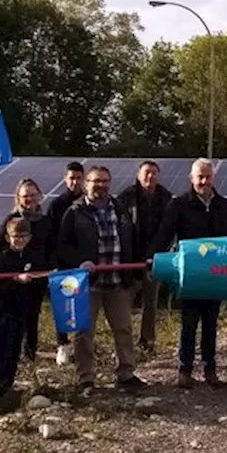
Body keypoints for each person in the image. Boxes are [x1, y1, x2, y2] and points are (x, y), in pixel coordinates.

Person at [57, 165, 148, 396]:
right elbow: (63, 246)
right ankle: (86, 378)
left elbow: (133, 240)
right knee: (84, 332)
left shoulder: (120, 209)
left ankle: (126, 374)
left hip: (117, 281)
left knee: (123, 329)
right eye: (96, 181)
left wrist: (136, 274)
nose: (102, 185)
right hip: (88, 284)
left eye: (106, 181)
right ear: (86, 183)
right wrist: (80, 262)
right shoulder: (74, 212)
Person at [149, 158, 227, 388]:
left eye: (208, 176)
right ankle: (184, 370)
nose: (204, 181)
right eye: (200, 177)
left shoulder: (223, 205)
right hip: (190, 274)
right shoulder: (178, 204)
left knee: (211, 323)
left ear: (213, 178)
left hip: (216, 274)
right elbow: (165, 234)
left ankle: (210, 370)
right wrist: (153, 258)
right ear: (191, 178)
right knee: (188, 323)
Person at [0, 178, 52, 363]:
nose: (30, 199)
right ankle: (12, 355)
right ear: (18, 198)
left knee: (32, 317)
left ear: (39, 196)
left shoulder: (46, 221)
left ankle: (29, 355)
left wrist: (46, 267)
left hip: (37, 278)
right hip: (14, 280)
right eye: (25, 196)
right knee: (13, 318)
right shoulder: (11, 220)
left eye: (33, 195)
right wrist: (12, 262)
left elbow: (52, 247)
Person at [116, 160, 173, 354]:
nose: (150, 176)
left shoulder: (166, 198)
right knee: (124, 304)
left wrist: (157, 254)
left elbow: (168, 230)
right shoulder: (127, 197)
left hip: (155, 259)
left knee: (150, 303)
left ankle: (147, 342)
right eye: (146, 172)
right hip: (130, 259)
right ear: (139, 175)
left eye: (154, 173)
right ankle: (124, 344)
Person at [0, 216, 39, 406]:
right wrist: (15, 280)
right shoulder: (4, 258)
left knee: (15, 348)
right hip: (5, 310)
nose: (18, 240)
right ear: (7, 237)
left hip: (23, 309)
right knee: (2, 347)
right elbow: (0, 287)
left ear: (29, 237)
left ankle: (9, 383)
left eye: (22, 236)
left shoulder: (31, 257)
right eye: (15, 236)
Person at [48, 161, 85, 366]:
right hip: (62, 263)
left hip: (84, 263)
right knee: (62, 306)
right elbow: (50, 236)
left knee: (84, 306)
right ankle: (62, 345)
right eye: (71, 178)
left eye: (79, 178)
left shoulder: (89, 202)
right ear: (65, 179)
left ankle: (82, 347)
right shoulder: (57, 205)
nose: (75, 182)